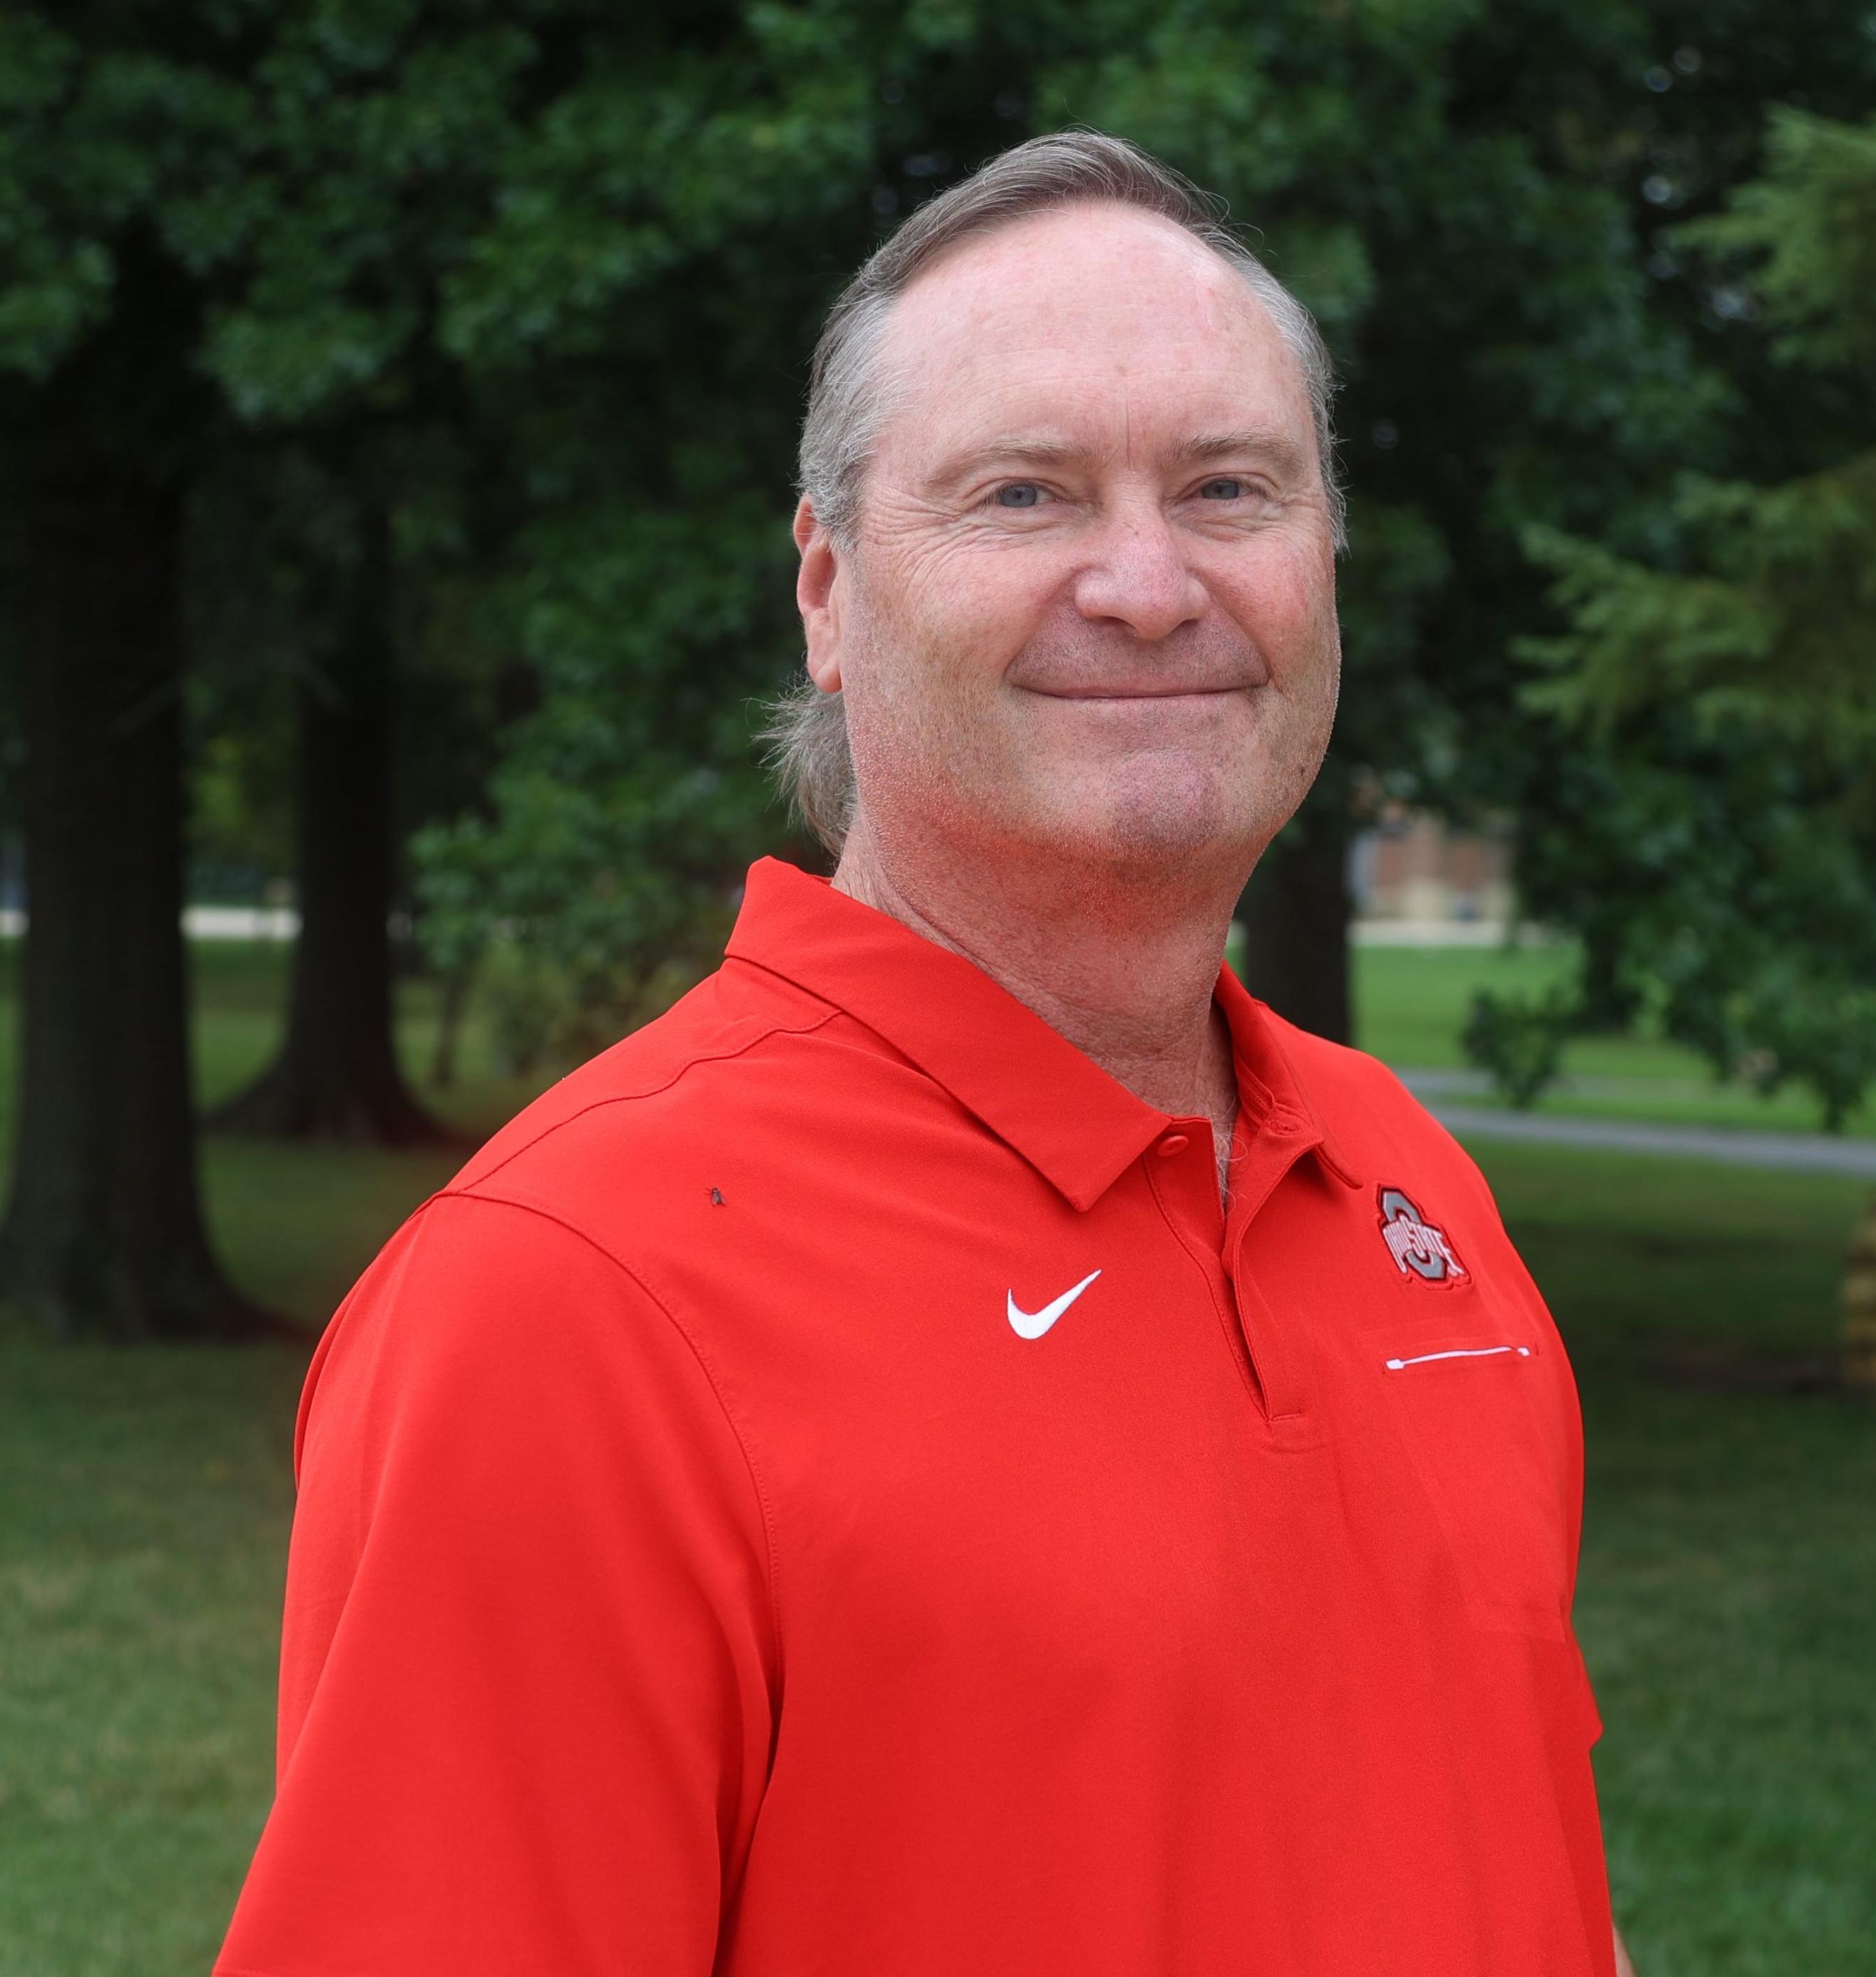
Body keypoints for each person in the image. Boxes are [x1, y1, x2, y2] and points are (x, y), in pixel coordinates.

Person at [214, 131, 1625, 1977]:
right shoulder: (573, 1301)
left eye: (1227, 488)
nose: (1144, 583)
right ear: (825, 587)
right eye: (1024, 495)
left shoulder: (1399, 1187)